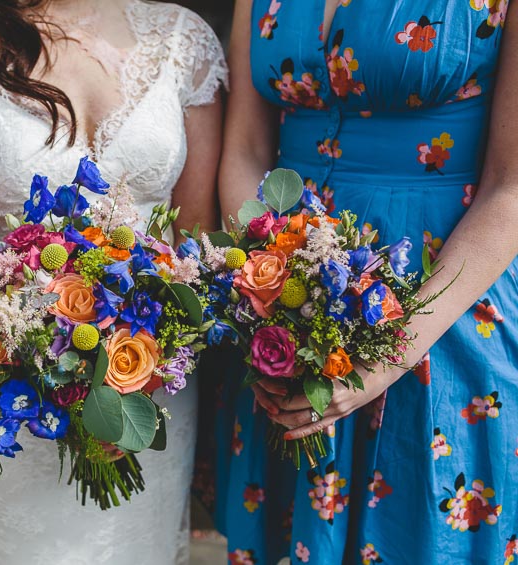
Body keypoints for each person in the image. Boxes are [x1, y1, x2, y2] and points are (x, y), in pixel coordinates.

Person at [0, 0, 227, 562]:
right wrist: (20, 337)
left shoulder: (183, 40)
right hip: (6, 392)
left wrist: (149, 346)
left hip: (148, 376)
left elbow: (197, 235)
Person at [215, 0, 517, 563]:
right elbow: (245, 152)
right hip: (292, 295)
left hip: (442, 298)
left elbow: (512, 189)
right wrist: (276, 294)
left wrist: (387, 356)